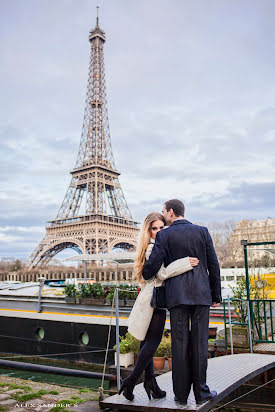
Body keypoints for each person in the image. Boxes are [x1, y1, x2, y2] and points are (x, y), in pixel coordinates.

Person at [142, 200, 222, 406]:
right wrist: (215, 296)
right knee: (200, 343)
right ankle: (201, 392)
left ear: (170, 212)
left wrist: (146, 270)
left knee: (179, 344)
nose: (163, 216)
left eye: (163, 212)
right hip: (201, 295)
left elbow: (151, 268)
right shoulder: (202, 232)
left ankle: (181, 394)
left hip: (177, 297)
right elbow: (213, 265)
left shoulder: (164, 235)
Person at [119, 212, 199, 401]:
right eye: (154, 228)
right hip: (155, 299)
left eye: (161, 228)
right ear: (148, 231)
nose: (158, 231)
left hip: (149, 297)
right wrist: (185, 263)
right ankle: (130, 381)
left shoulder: (150, 247)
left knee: (146, 342)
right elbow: (162, 274)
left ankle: (150, 382)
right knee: (153, 342)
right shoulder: (153, 248)